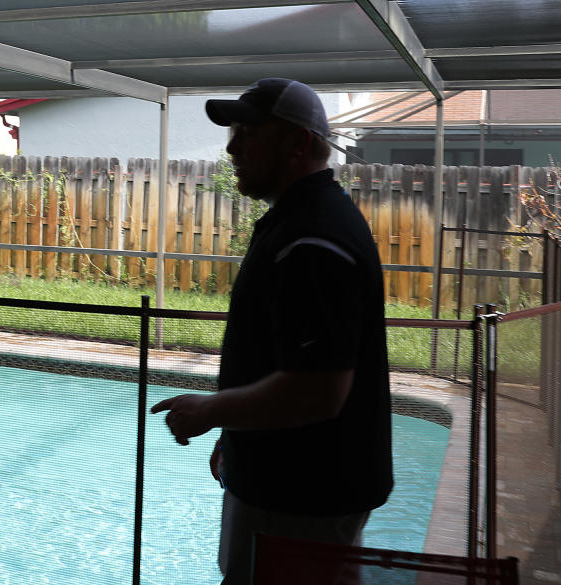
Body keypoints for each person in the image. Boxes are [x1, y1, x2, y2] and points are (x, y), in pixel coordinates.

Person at [150, 78, 392, 584]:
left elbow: (318, 390)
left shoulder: (313, 240)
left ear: (299, 143)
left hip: (303, 495)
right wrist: (237, 432)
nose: (233, 146)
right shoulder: (304, 221)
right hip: (293, 483)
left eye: (249, 132)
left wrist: (212, 410)